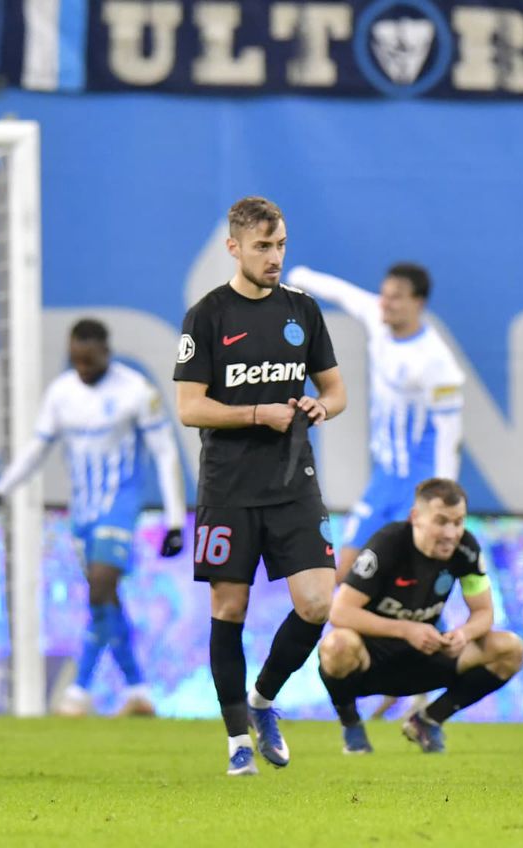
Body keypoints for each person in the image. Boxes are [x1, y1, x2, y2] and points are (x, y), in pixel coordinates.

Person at [173, 196, 346, 776]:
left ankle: (263, 699)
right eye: (263, 247)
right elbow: (189, 407)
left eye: (280, 246)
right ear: (234, 247)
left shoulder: (303, 310)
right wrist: (255, 414)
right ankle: (235, 743)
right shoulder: (207, 316)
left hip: (294, 481)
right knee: (230, 607)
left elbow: (337, 391)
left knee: (317, 603)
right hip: (228, 487)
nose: (274, 257)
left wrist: (321, 407)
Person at [0, 318, 187, 717]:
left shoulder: (136, 391)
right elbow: (37, 448)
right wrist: (0, 490)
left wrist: (175, 520)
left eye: (90, 361)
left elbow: (165, 453)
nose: (83, 369)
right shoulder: (62, 393)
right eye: (76, 361)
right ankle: (138, 690)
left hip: (120, 506)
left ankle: (79, 690)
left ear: (107, 353)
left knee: (100, 587)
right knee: (105, 599)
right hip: (83, 513)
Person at [286, 262, 464, 719]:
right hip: (382, 482)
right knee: (343, 572)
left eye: (396, 297)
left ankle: (421, 679)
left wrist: (439, 507)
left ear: (418, 303)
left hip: (416, 491)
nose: (386, 303)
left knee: (413, 585)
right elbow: (344, 293)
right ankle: (372, 673)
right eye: (384, 294)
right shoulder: (377, 318)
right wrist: (298, 277)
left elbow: (449, 439)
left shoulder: (438, 364)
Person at [318, 478, 523, 754]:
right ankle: (351, 725)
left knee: (510, 648)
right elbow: (340, 611)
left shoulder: (466, 549)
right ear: (416, 517)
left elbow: (484, 612)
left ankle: (428, 720)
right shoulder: (388, 544)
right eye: (441, 521)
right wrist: (406, 629)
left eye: (458, 522)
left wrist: (463, 635)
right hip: (371, 661)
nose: (451, 533)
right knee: (336, 646)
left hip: (426, 654)